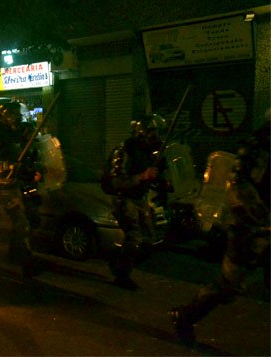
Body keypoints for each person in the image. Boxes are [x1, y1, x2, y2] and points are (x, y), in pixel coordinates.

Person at [169, 118, 270, 345]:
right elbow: (239, 184)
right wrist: (264, 217)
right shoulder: (260, 145)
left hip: (263, 228)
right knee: (229, 286)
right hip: (250, 227)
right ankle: (185, 317)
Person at [0, 102, 41, 277]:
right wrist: (6, 166)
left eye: (18, 114)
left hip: (12, 188)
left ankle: (24, 261)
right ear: (5, 116)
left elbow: (28, 155)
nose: (17, 117)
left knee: (22, 225)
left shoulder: (18, 134)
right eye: (13, 114)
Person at [102, 114, 169, 290]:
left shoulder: (150, 152)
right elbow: (115, 181)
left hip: (140, 198)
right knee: (135, 237)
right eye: (151, 133)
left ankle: (118, 257)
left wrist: (162, 181)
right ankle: (122, 275)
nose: (155, 137)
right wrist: (142, 176)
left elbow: (157, 172)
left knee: (149, 241)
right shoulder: (124, 151)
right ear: (141, 134)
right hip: (124, 199)